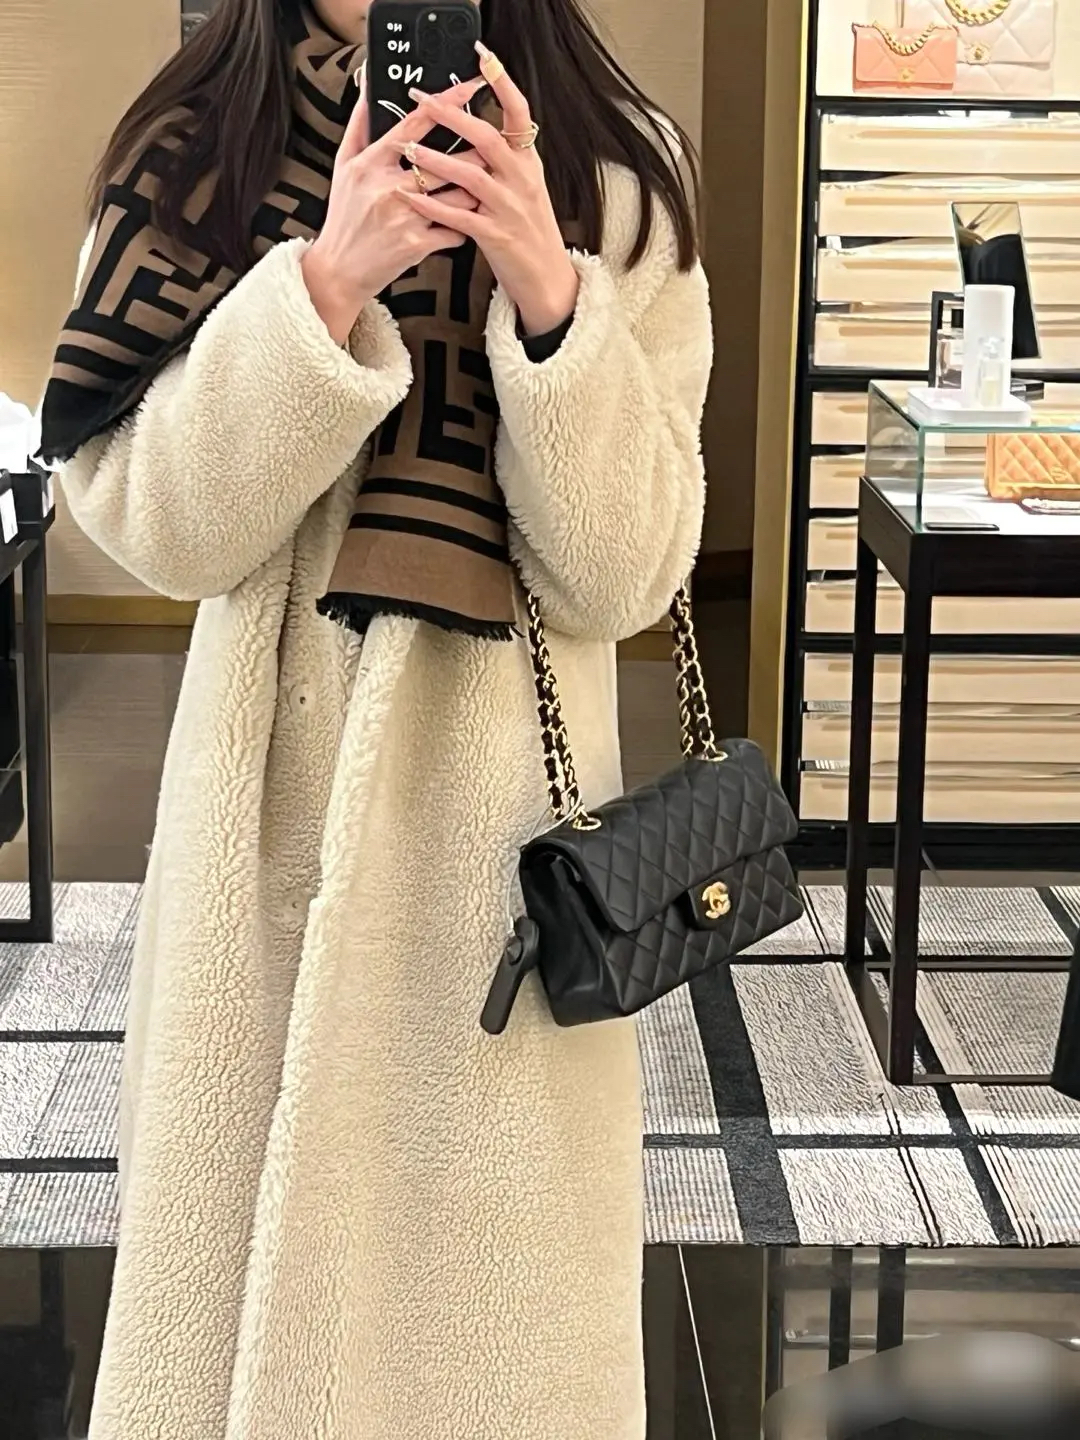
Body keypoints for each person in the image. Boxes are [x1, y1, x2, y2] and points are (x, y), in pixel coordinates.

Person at [40, 0, 712, 1436]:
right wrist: (325, 280)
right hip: (256, 850)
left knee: (490, 1346)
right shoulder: (191, 156)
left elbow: (628, 572)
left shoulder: (613, 173)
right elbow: (156, 531)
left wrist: (552, 295)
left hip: (503, 870)